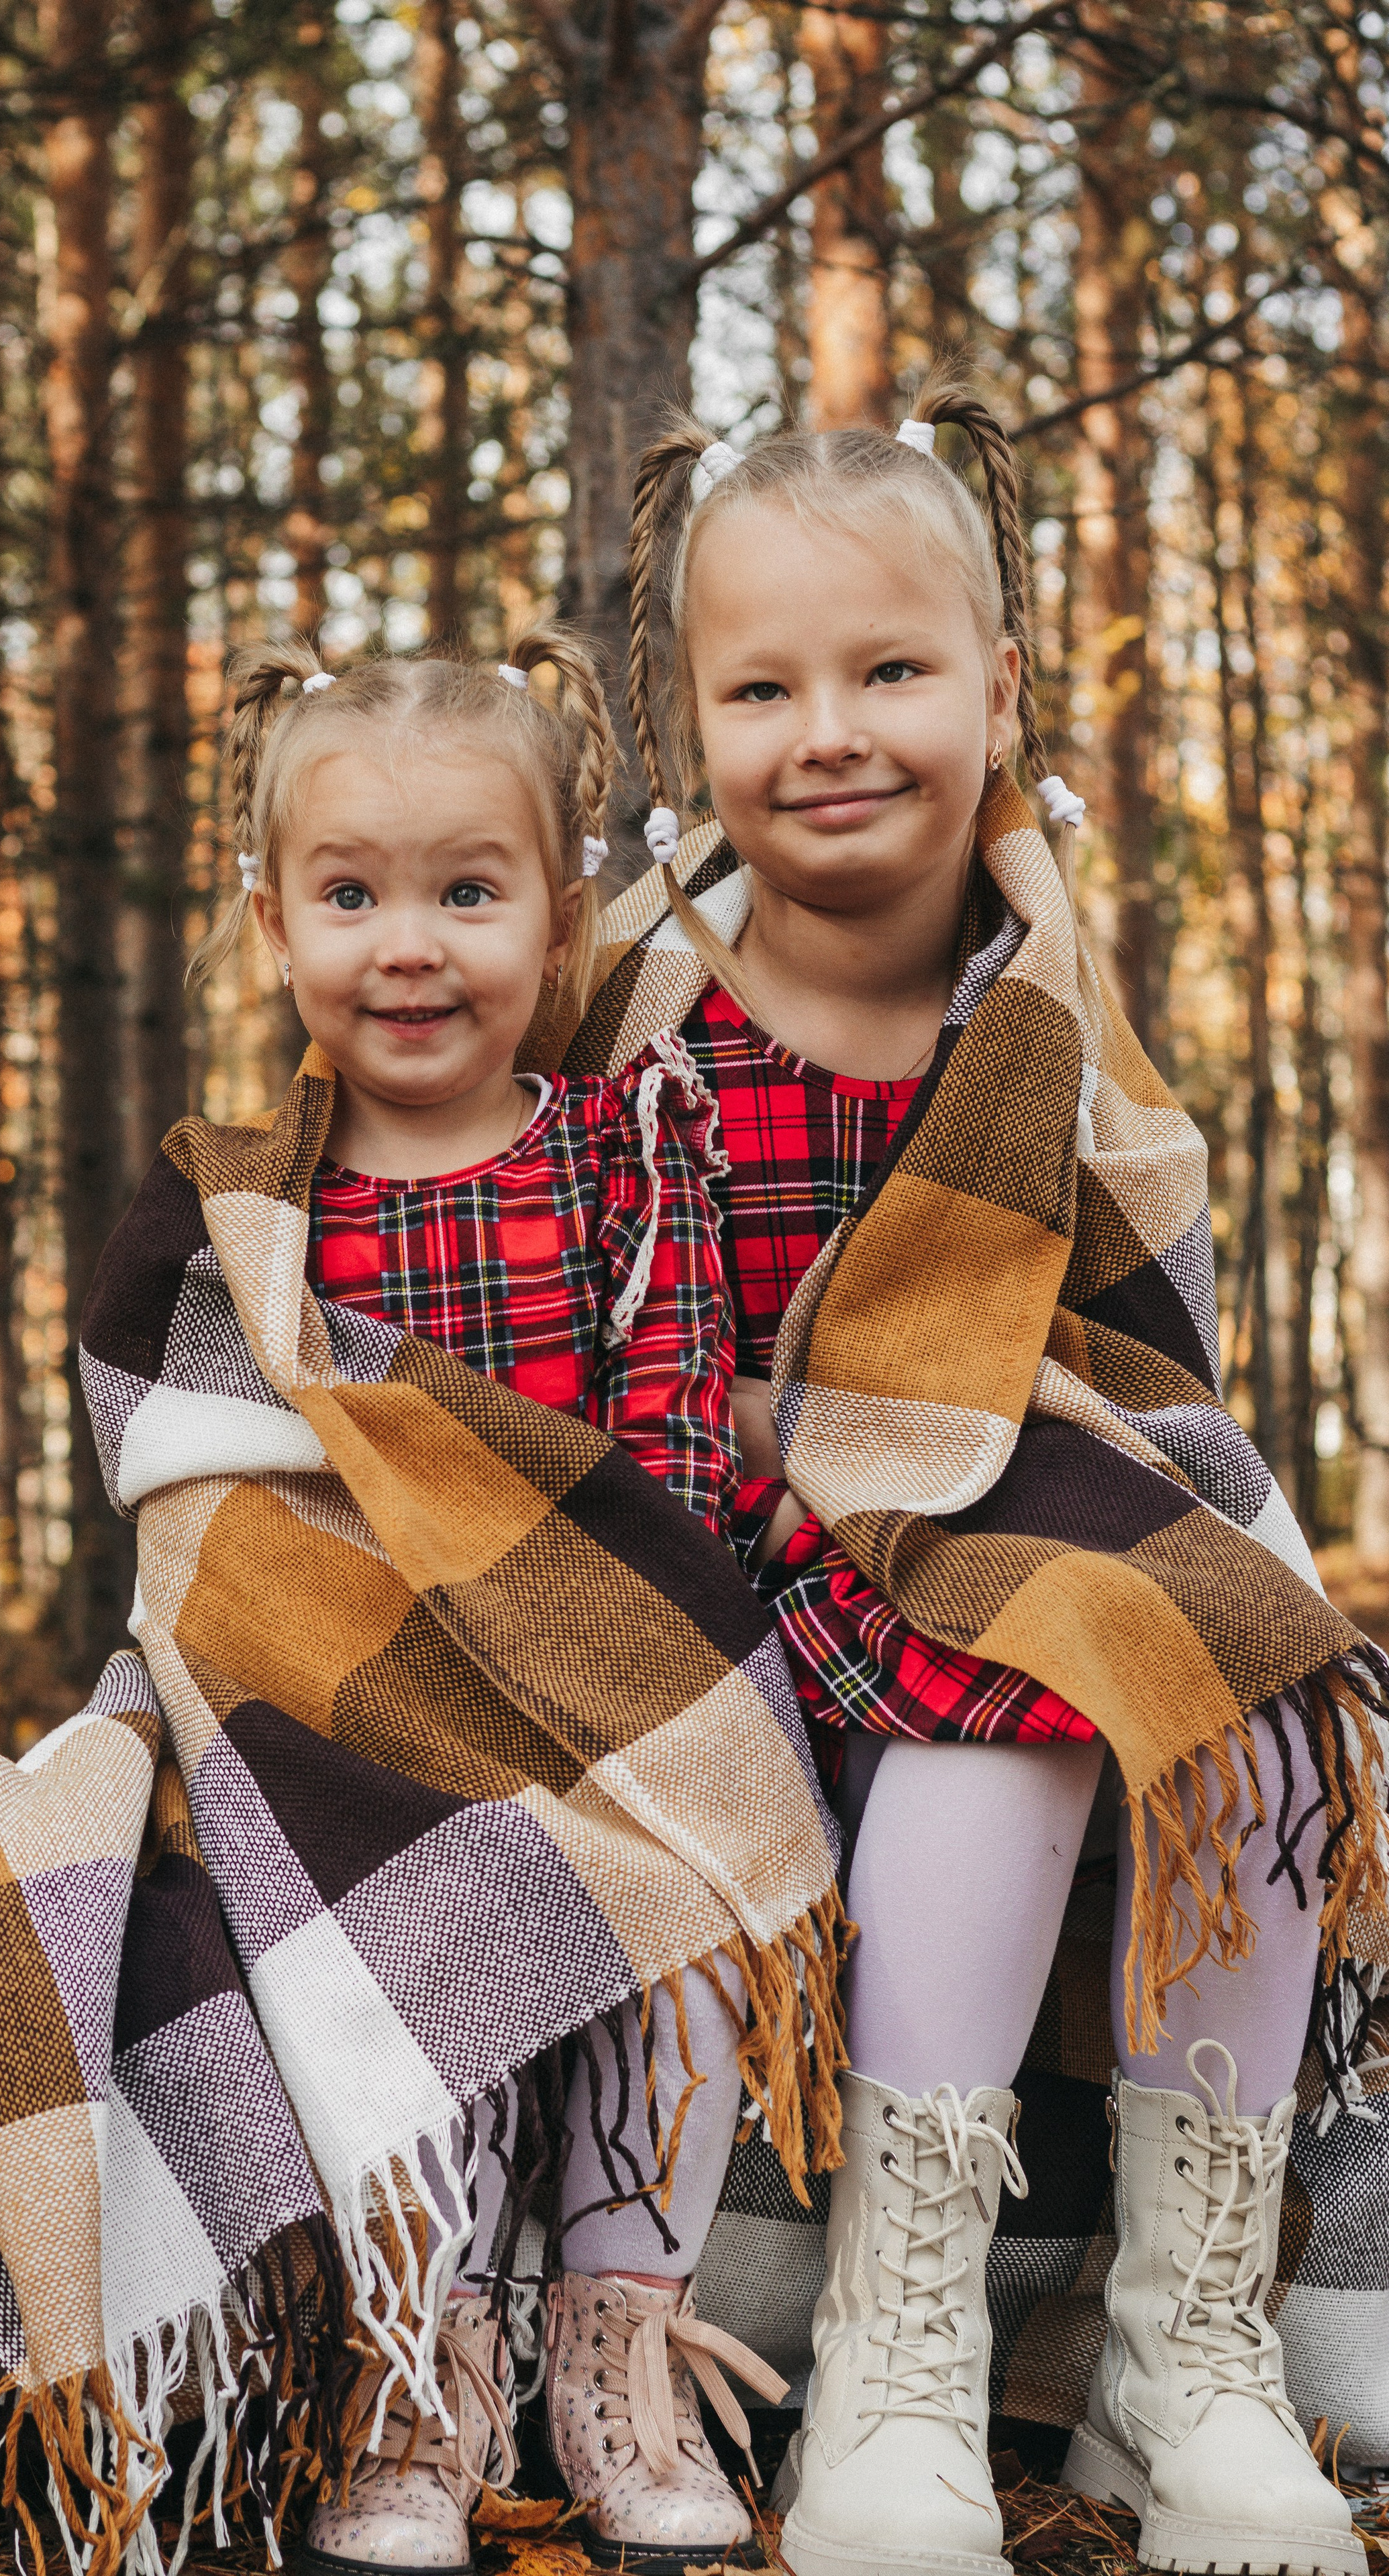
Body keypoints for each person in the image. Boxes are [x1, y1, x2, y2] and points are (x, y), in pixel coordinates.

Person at [532, 380, 1386, 2576]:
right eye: (764, 686)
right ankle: (895, 2368)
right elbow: (570, 1343)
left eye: (892, 670)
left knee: (1241, 1677)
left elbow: (1145, 1350)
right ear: (685, 724)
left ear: (1000, 689)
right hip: (745, 1579)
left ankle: (1181, 2359)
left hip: (1009, 1513)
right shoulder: (643, 1005)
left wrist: (1188, 1528)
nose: (831, 728)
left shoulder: (1045, 994)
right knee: (985, 1732)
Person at [197, 630, 814, 2576]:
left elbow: (679, 1435)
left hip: (617, 1671)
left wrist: (608, 1669)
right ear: (273, 923)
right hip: (369, 1697)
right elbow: (216, 1498)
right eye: (352, 894)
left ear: (559, 922)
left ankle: (613, 2349)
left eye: (469, 893)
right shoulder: (256, 1209)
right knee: (398, 1968)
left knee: (695, 1910)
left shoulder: (623, 1150)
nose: (410, 944)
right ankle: (420, 2372)